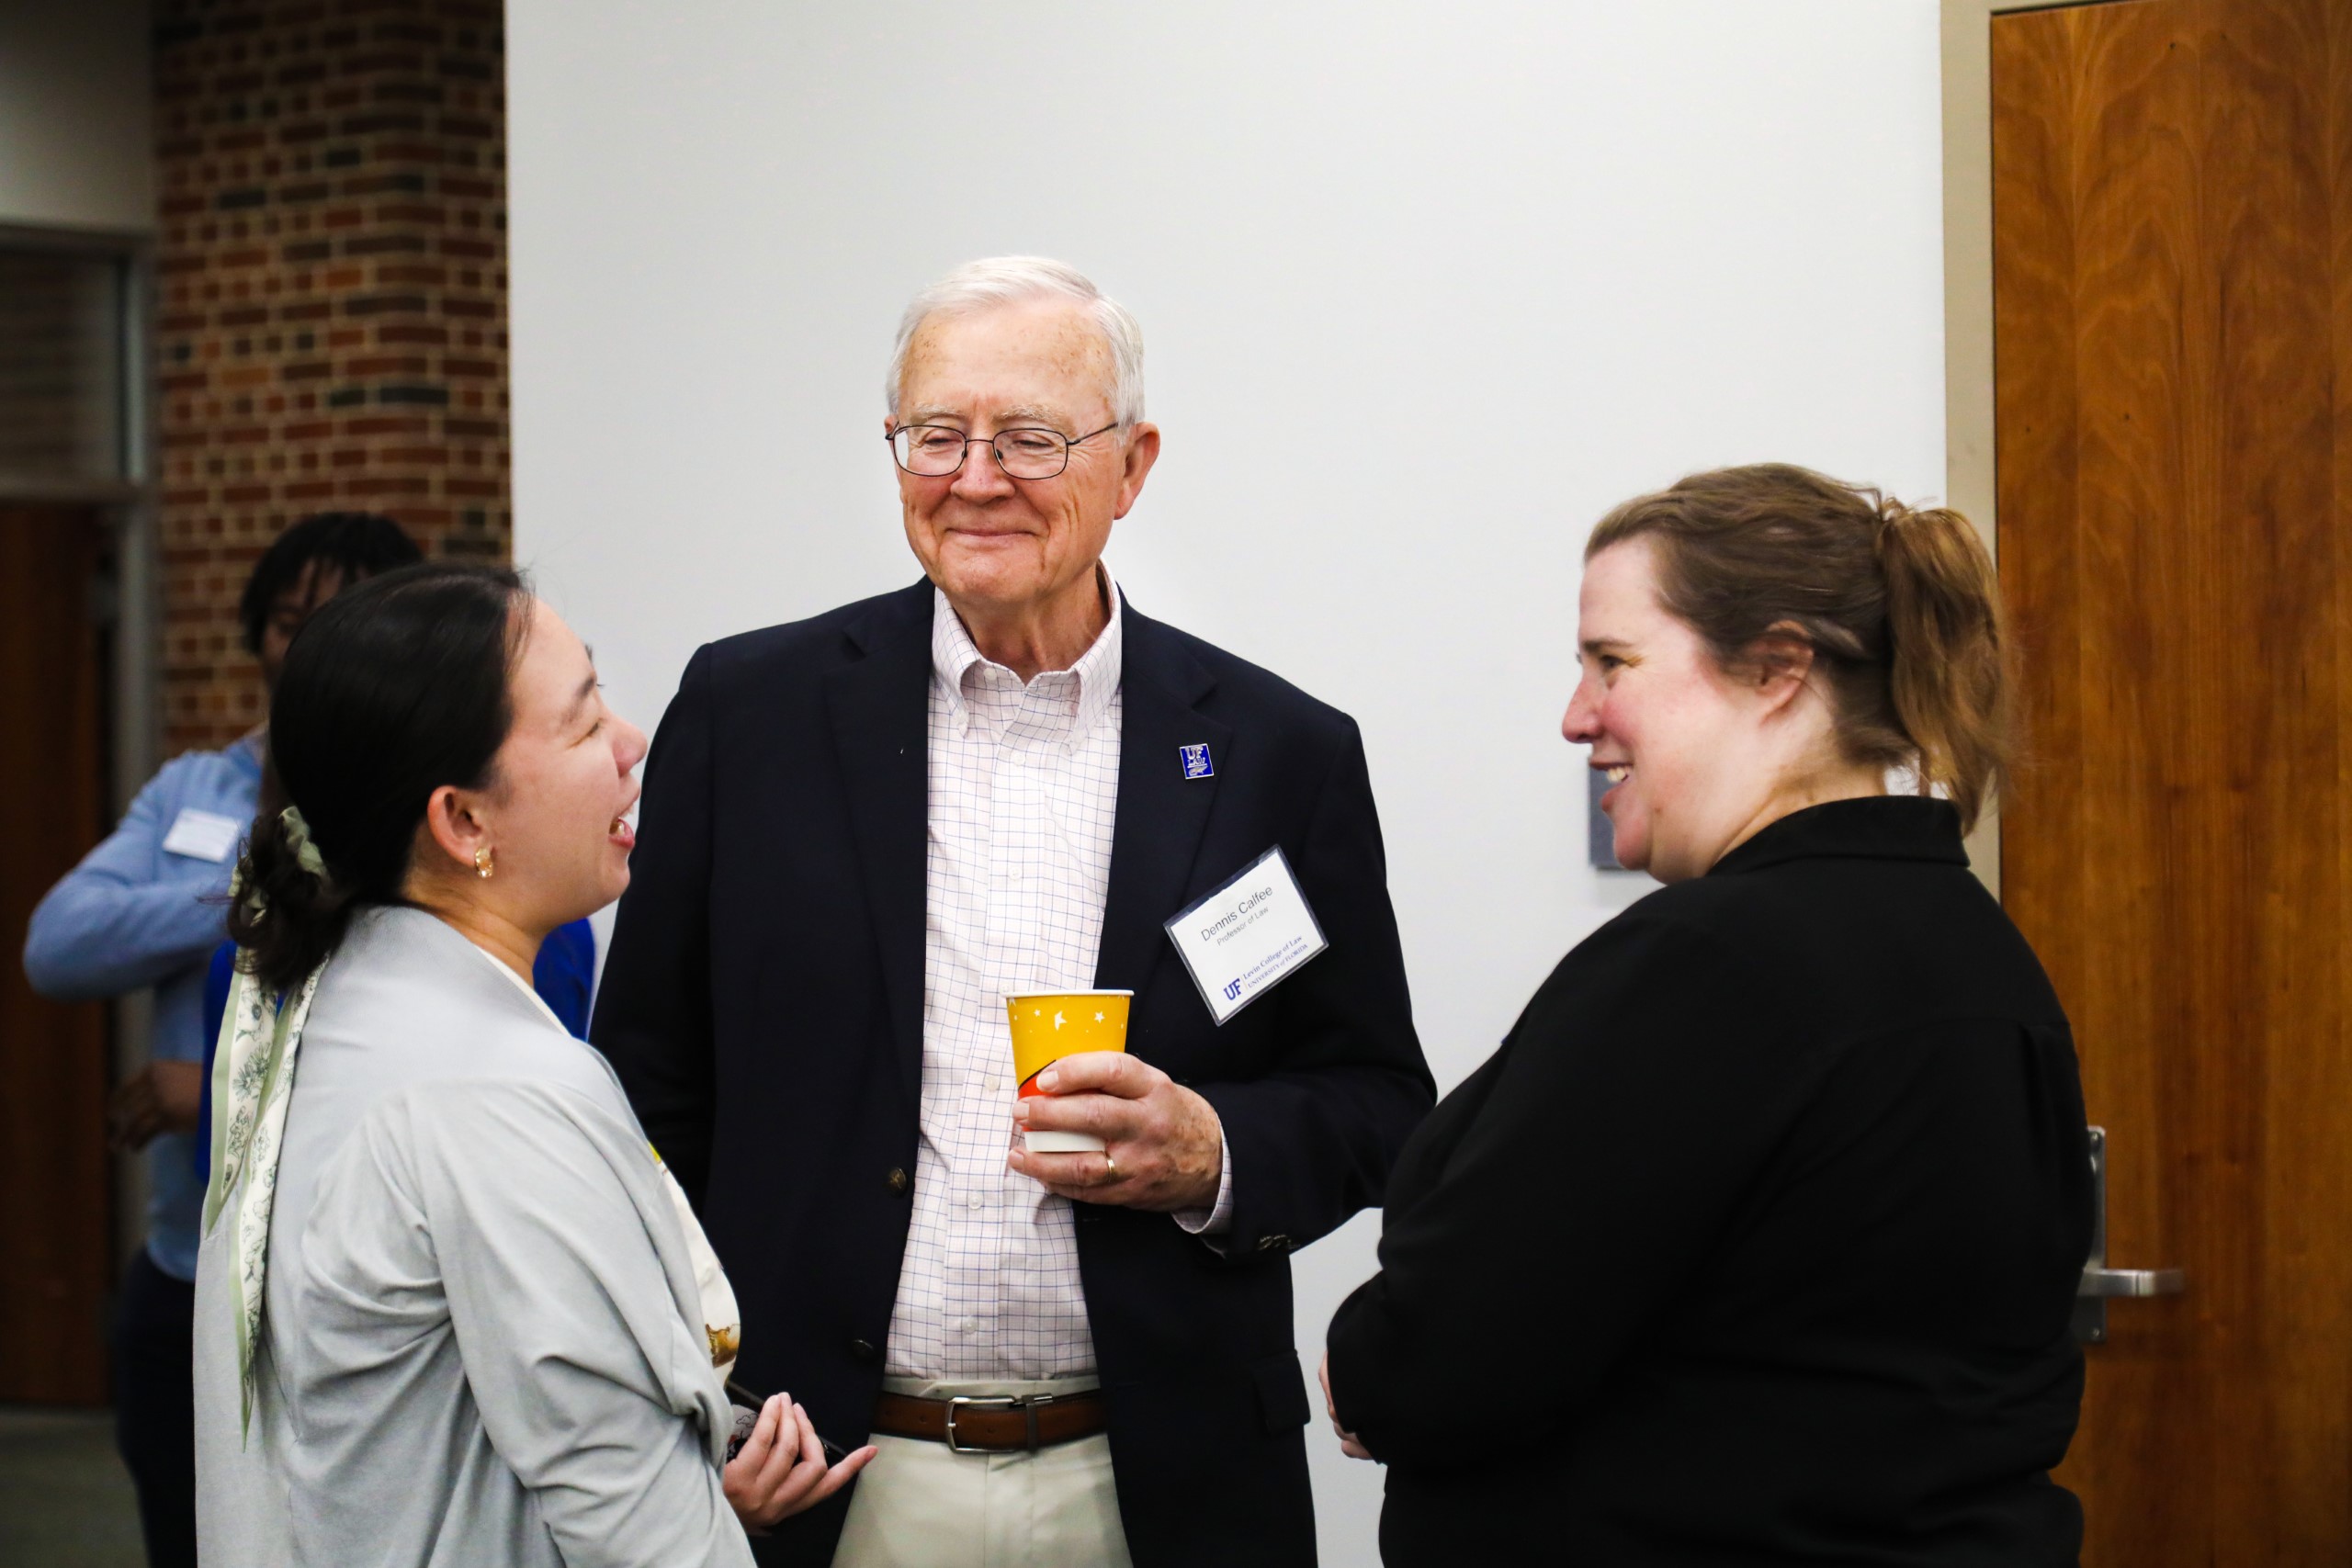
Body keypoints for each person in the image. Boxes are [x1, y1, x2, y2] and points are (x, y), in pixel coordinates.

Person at [594, 256, 1433, 1568]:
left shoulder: (1277, 750)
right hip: (826, 1473)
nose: (974, 478)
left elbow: (1377, 1092)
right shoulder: (750, 714)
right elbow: (645, 1094)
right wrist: (676, 1404)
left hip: (1158, 1476)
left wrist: (1214, 1150)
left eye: (1031, 436)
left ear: (1132, 464)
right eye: (936, 434)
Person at [1321, 464, 2094, 1564]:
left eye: (1612, 663)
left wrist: (1363, 1363)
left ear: (1777, 667)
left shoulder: (1711, 967)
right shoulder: (1976, 950)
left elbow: (1450, 1359)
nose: (1576, 717)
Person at [191, 563, 871, 1566]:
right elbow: (637, 1532)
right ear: (463, 821)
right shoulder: (496, 1087)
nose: (633, 746)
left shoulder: (318, 1009)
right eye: (585, 724)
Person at [21, 509, 419, 1568]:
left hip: (343, 1300)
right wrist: (260, 885)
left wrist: (220, 1093)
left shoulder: (425, 817)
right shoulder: (194, 789)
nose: (305, 644)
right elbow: (58, 949)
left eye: (336, 618)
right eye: (288, 621)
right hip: (183, 1269)